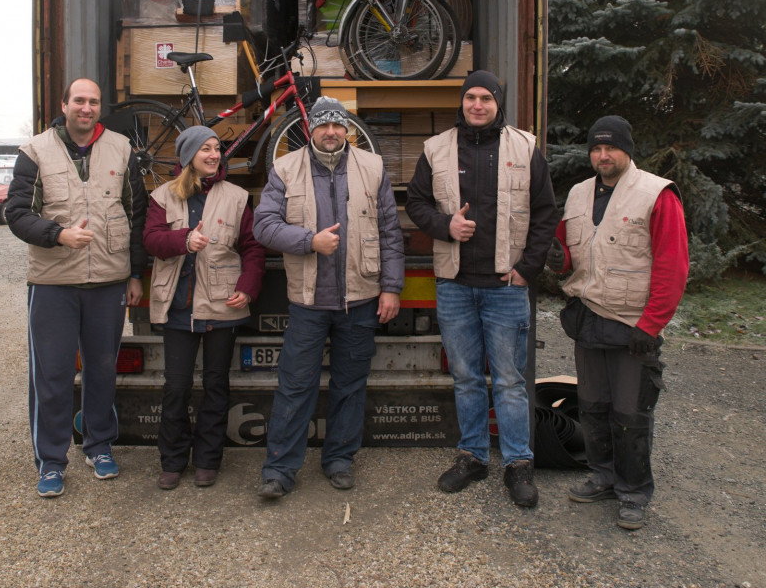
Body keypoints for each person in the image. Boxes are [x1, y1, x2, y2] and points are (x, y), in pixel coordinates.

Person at [405, 70, 558, 508]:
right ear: (462, 101)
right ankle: (472, 457)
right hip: (454, 285)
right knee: (467, 378)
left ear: (497, 103)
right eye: (471, 97)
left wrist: (528, 269)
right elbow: (415, 202)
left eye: (486, 98)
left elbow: (546, 212)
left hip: (505, 286)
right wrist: (445, 226)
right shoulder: (436, 148)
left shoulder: (524, 148)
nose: (477, 105)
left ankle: (518, 464)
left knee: (509, 381)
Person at [253, 97, 404, 498]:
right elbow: (263, 225)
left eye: (338, 125)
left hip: (361, 297)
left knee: (350, 385)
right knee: (294, 386)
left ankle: (339, 459)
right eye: (323, 125)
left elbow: (390, 232)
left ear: (347, 129)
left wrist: (391, 287)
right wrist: (309, 241)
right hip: (308, 302)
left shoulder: (373, 167)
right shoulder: (285, 169)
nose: (331, 132)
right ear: (310, 129)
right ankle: (279, 471)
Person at [5, 78, 147, 498]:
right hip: (53, 283)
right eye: (79, 100)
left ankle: (99, 446)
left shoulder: (121, 149)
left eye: (94, 102)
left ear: (100, 108)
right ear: (64, 104)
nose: (86, 108)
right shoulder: (35, 151)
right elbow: (16, 213)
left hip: (108, 280)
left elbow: (136, 214)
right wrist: (58, 235)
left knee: (102, 369)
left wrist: (135, 273)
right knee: (52, 374)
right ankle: (51, 461)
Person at [547, 115, 688, 529]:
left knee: (630, 414)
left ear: (627, 150)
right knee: (593, 406)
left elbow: (673, 265)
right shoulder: (578, 193)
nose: (603, 155)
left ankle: (633, 491)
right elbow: (570, 254)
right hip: (588, 318)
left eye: (611, 148)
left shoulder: (656, 194)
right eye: (596, 148)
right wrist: (559, 260)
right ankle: (603, 477)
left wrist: (652, 324)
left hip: (632, 325)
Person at [142, 126, 266, 490]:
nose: (214, 155)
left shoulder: (237, 197)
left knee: (216, 385)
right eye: (205, 149)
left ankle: (208, 460)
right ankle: (172, 461)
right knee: (176, 387)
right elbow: (150, 239)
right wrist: (184, 239)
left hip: (221, 305)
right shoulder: (163, 196)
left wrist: (247, 288)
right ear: (188, 157)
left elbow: (253, 248)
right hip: (178, 307)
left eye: (217, 149)